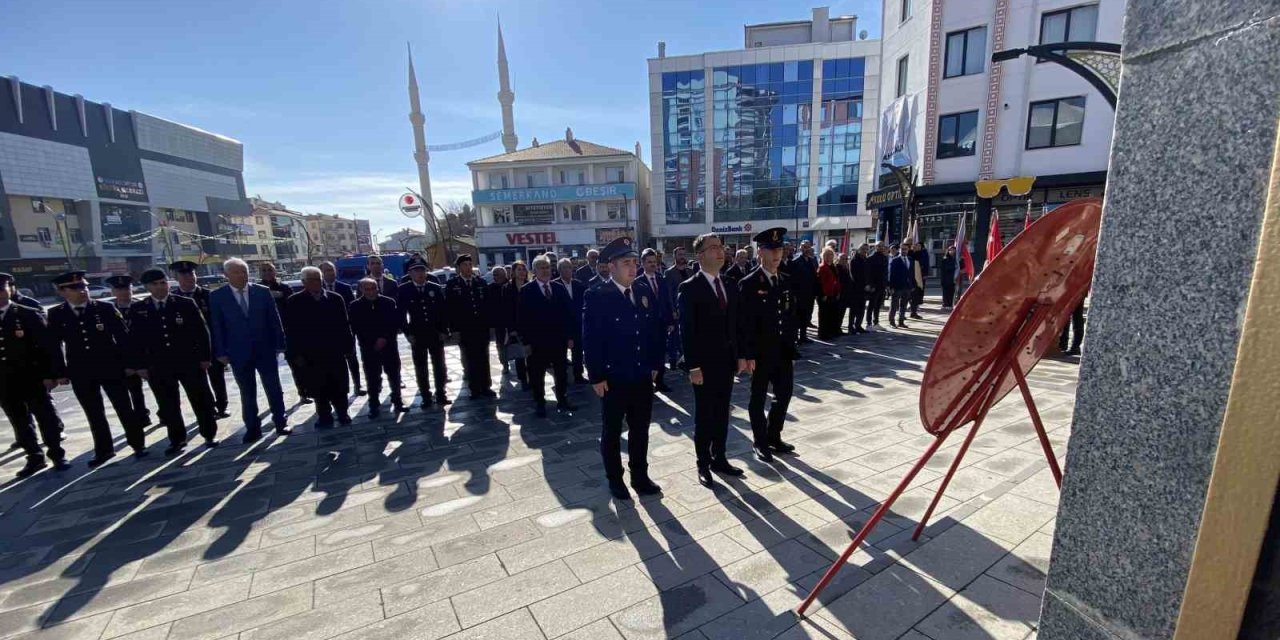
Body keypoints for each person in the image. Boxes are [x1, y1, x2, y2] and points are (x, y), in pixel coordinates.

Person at [583, 237, 664, 500]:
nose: (633, 267)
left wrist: (654, 365)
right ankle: (615, 480)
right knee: (613, 431)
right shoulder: (597, 295)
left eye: (634, 262)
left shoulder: (642, 291)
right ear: (611, 266)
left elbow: (653, 331)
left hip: (641, 374)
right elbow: (591, 338)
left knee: (641, 429)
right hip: (613, 377)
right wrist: (596, 375)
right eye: (626, 263)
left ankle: (640, 476)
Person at [46, 271, 146, 466]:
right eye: (75, 288)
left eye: (84, 286)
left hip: (111, 367)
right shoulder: (57, 313)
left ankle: (137, 444)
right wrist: (59, 373)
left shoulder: (104, 308)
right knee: (94, 413)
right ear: (62, 291)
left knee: (124, 407)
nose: (82, 291)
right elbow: (54, 346)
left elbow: (124, 338)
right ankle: (104, 449)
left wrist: (131, 365)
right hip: (81, 371)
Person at [127, 269, 219, 455]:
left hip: (188, 362)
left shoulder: (185, 303)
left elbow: (201, 332)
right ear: (147, 287)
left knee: (201, 399)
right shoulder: (139, 309)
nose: (160, 287)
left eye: (163, 283)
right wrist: (141, 365)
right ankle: (177, 439)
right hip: (159, 365)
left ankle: (209, 433)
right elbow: (134, 340)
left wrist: (204, 358)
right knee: (168, 404)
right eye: (155, 284)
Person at [678, 233, 745, 489]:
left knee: (722, 413)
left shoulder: (728, 284)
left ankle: (720, 457)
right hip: (703, 366)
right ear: (701, 255)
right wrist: (693, 366)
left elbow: (736, 324)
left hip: (726, 363)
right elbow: (687, 330)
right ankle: (703, 463)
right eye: (713, 248)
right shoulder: (690, 288)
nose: (720, 251)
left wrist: (739, 355)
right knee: (705, 415)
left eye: (721, 247)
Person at [209, 258, 290, 443]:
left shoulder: (261, 292)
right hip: (238, 352)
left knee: (274, 388)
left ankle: (280, 421)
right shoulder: (218, 296)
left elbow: (273, 319)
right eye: (236, 272)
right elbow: (217, 326)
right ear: (226, 275)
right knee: (247, 391)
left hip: (265, 349)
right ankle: (252, 428)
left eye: (244, 271)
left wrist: (280, 343)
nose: (241, 275)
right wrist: (220, 352)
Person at [736, 228, 798, 463]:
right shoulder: (749, 283)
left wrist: (792, 346)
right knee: (758, 398)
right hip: (760, 353)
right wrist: (746, 354)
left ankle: (774, 436)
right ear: (760, 251)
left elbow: (791, 316)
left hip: (783, 351)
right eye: (771, 250)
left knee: (784, 395)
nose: (776, 255)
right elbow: (744, 323)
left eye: (779, 249)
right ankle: (760, 442)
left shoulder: (785, 280)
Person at [0, 274, 68, 476]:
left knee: (45, 416)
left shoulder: (27, 313)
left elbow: (49, 347)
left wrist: (51, 374)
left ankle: (57, 454)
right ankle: (34, 456)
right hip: (4, 380)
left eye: (2, 288)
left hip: (32, 376)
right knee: (19, 420)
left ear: (10, 289)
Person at [283, 267, 353, 428]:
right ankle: (324, 416)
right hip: (311, 354)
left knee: (339, 385)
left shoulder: (335, 298)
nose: (316, 283)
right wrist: (296, 354)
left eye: (318, 279)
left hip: (335, 351)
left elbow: (344, 325)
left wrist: (348, 348)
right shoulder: (295, 301)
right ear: (304, 282)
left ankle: (343, 413)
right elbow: (291, 330)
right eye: (312, 280)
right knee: (318, 387)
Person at [170, 261, 231, 418]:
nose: (189, 277)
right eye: (184, 274)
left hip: (211, 346)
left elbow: (220, 322)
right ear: (176, 277)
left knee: (217, 378)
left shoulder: (208, 295)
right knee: (198, 383)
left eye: (191, 273)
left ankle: (222, 405)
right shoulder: (173, 299)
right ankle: (208, 407)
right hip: (189, 350)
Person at [519, 255, 576, 417]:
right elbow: (522, 318)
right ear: (534, 271)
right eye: (541, 267)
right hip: (537, 342)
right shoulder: (527, 290)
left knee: (561, 372)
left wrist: (570, 336)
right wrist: (526, 342)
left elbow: (568, 313)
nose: (545, 270)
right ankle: (540, 402)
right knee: (537, 374)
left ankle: (563, 399)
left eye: (547, 267)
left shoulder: (558, 288)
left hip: (558, 340)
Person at [397, 256, 450, 408]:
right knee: (421, 367)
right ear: (410, 273)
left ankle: (441, 394)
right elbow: (401, 314)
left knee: (439, 365)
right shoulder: (404, 289)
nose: (420, 274)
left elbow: (443, 311)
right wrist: (408, 334)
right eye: (416, 271)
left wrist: (444, 330)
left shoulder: (434, 287)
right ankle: (426, 396)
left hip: (435, 332)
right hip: (417, 334)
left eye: (422, 270)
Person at [350, 278, 405, 418]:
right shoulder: (355, 306)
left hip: (389, 346)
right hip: (369, 348)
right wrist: (372, 341)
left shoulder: (388, 303)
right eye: (366, 289)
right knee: (372, 377)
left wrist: (384, 338)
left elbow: (394, 323)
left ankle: (397, 400)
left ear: (377, 288)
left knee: (394, 374)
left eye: (373, 288)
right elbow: (356, 327)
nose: (370, 292)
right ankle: (374, 404)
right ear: (361, 290)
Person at [445, 254, 495, 399]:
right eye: (464, 265)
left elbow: (487, 306)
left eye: (469, 264)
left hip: (481, 328)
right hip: (465, 329)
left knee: (484, 357)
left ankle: (486, 386)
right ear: (459, 268)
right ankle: (474, 388)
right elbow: (450, 309)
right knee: (470, 359)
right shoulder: (453, 285)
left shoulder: (480, 282)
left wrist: (491, 326)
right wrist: (453, 330)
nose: (468, 267)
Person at [107, 274, 153, 427]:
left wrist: (142, 363)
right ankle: (140, 416)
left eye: (126, 288)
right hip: (122, 359)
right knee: (132, 390)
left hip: (145, 357)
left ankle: (163, 414)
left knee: (159, 388)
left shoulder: (142, 306)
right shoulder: (108, 310)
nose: (124, 292)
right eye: (119, 289)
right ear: (113, 291)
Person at [320, 261, 365, 397]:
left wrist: (354, 330)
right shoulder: (317, 289)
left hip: (344, 331)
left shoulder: (345, 288)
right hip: (326, 334)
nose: (330, 273)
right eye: (326, 270)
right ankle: (337, 389)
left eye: (332, 270)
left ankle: (357, 385)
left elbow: (352, 309)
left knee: (352, 359)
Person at [634, 248, 675, 393]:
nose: (653, 265)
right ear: (642, 263)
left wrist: (670, 321)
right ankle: (648, 383)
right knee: (648, 355)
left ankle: (660, 382)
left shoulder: (661, 279)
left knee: (661, 354)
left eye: (655, 262)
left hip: (662, 324)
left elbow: (667, 301)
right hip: (647, 326)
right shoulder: (637, 282)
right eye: (650, 262)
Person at [555, 258, 588, 384]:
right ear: (559, 270)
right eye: (564, 267)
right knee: (561, 354)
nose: (568, 270)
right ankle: (562, 378)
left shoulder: (578, 285)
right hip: (562, 326)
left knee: (578, 352)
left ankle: (578, 375)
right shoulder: (555, 285)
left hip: (577, 324)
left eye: (569, 267)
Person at [664, 246, 695, 370]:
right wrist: (672, 310)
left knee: (687, 335)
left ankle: (686, 359)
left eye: (684, 254)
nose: (682, 257)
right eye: (679, 255)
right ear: (674, 257)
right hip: (676, 309)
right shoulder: (669, 273)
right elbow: (668, 294)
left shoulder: (691, 271)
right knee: (674, 336)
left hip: (689, 309)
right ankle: (672, 360)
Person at [501, 261, 530, 389]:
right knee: (519, 355)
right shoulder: (507, 288)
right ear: (513, 272)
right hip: (515, 327)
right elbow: (506, 310)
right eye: (519, 269)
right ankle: (523, 379)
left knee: (531, 354)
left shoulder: (530, 286)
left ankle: (533, 378)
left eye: (524, 269)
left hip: (530, 326)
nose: (522, 272)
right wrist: (511, 328)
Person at [789, 241, 818, 344]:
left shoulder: (812, 261)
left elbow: (814, 277)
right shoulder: (796, 262)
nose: (807, 249)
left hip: (809, 294)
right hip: (799, 294)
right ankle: (796, 337)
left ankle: (803, 336)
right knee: (798, 316)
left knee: (807, 315)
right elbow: (792, 280)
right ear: (801, 249)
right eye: (804, 247)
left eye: (808, 247)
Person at [485, 267, 513, 374]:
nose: (496, 277)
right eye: (495, 275)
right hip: (498, 322)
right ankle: (504, 364)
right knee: (500, 344)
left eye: (499, 274)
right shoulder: (490, 288)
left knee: (514, 343)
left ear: (505, 275)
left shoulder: (510, 286)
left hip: (511, 320)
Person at [815, 248, 843, 340]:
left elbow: (836, 280)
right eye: (827, 255)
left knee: (832, 314)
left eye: (831, 255)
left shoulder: (833, 267)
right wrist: (824, 294)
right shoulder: (822, 267)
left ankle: (831, 332)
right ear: (823, 256)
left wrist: (838, 291)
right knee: (824, 315)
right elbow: (821, 282)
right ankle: (823, 334)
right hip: (825, 295)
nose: (829, 257)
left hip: (833, 294)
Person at [888, 244, 914, 328]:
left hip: (907, 287)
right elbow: (892, 275)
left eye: (905, 249)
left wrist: (912, 285)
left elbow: (912, 274)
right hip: (897, 287)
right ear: (899, 250)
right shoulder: (895, 260)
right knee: (894, 305)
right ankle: (892, 322)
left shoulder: (910, 259)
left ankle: (901, 321)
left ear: (908, 250)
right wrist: (891, 287)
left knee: (904, 305)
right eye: (902, 249)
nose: (904, 251)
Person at [865, 242, 889, 329]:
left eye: (882, 246)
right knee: (871, 305)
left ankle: (876, 322)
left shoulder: (885, 258)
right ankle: (868, 323)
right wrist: (870, 284)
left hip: (882, 286)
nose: (881, 248)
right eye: (879, 246)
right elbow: (868, 273)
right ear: (875, 247)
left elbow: (886, 273)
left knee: (878, 305)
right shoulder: (871, 258)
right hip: (874, 286)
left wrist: (887, 285)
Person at [848, 244, 872, 333]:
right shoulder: (854, 260)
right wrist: (864, 285)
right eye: (863, 249)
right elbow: (854, 276)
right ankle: (851, 327)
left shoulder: (866, 260)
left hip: (865, 289)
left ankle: (858, 325)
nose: (864, 251)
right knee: (854, 309)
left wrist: (869, 284)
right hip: (856, 289)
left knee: (862, 309)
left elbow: (869, 274)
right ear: (859, 250)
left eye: (866, 249)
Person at [836, 253, 856, 335]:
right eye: (842, 259)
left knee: (842, 312)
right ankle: (836, 328)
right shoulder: (837, 268)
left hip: (846, 293)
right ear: (838, 259)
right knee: (838, 312)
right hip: (840, 293)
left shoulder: (846, 268)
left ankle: (838, 328)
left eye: (846, 259)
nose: (844, 260)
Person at [910, 242, 929, 319]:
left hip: (920, 276)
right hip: (911, 276)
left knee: (918, 292)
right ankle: (912, 310)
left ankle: (915, 309)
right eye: (915, 245)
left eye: (918, 246)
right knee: (911, 294)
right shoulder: (911, 254)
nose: (917, 247)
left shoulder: (924, 253)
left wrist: (925, 274)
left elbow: (926, 264)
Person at [939, 243, 958, 309]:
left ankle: (949, 304)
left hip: (952, 279)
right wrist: (954, 266)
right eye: (950, 250)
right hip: (946, 279)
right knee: (946, 293)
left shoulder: (956, 259)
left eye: (953, 250)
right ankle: (945, 304)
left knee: (951, 292)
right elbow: (946, 269)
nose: (952, 251)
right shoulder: (945, 259)